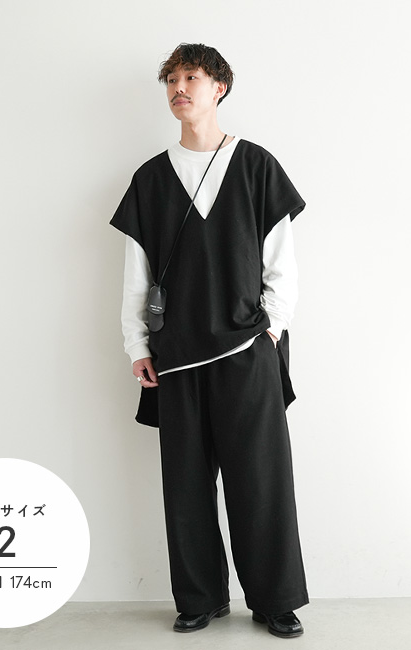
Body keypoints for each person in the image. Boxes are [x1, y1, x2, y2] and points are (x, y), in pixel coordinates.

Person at [110, 43, 309, 639]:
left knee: (261, 481)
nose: (179, 88)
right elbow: (137, 274)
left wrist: (269, 331)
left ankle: (274, 599)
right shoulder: (150, 178)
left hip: (247, 351)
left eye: (191, 77)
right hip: (175, 357)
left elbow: (282, 267)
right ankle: (200, 597)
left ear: (219, 86)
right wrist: (137, 346)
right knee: (186, 486)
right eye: (171, 79)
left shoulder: (255, 166)